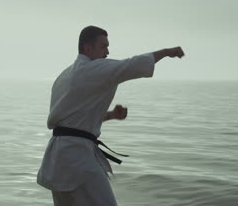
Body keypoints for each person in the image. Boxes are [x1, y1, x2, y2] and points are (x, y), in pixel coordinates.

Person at [36, 25, 185, 206]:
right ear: (87, 48)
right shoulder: (92, 69)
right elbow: (129, 66)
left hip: (58, 158)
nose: (107, 51)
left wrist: (111, 115)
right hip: (77, 158)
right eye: (103, 46)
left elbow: (74, 121)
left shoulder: (64, 76)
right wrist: (167, 52)